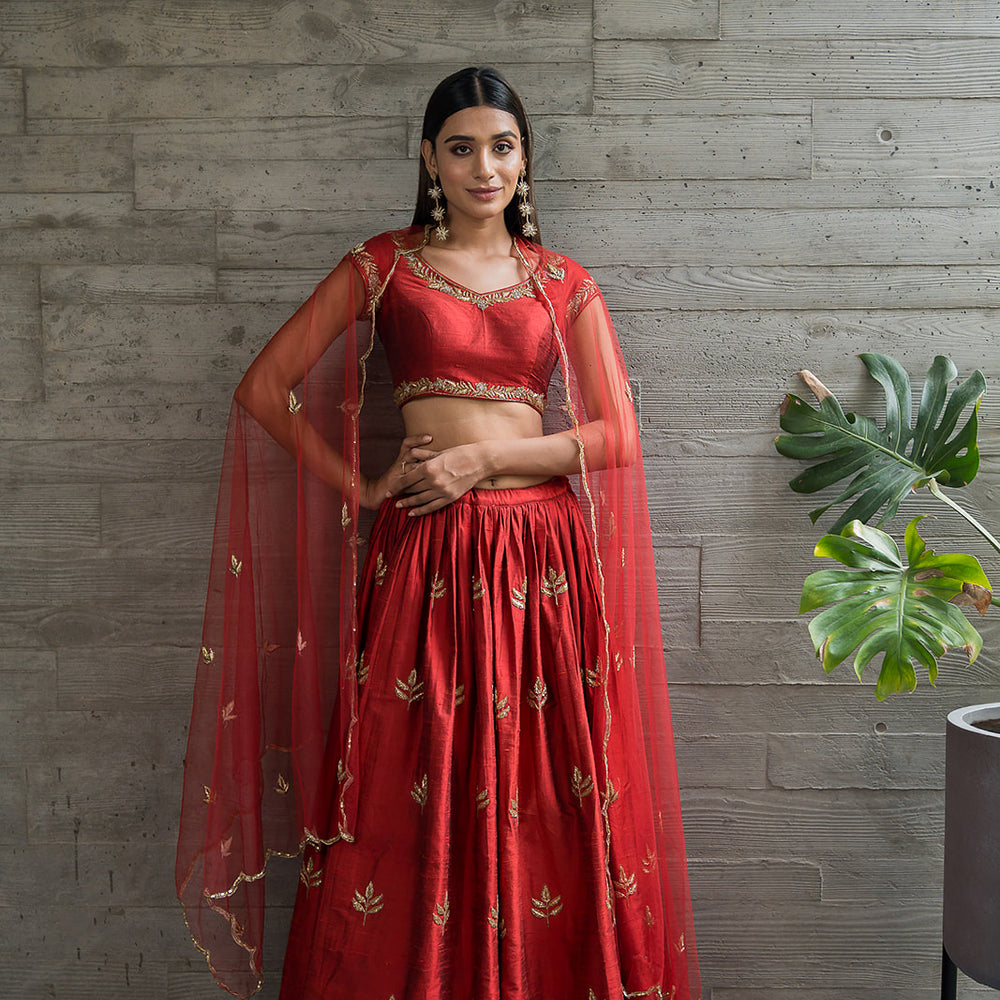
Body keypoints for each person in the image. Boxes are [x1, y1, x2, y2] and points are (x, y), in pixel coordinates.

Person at [176, 66, 700, 1000]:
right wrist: (365, 486)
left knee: (550, 789)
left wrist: (484, 463)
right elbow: (265, 389)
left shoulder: (562, 283)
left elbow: (616, 437)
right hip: (428, 560)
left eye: (502, 147)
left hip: (542, 565)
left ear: (524, 158)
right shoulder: (384, 264)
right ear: (429, 159)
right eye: (461, 148)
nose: (484, 167)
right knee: (403, 781)